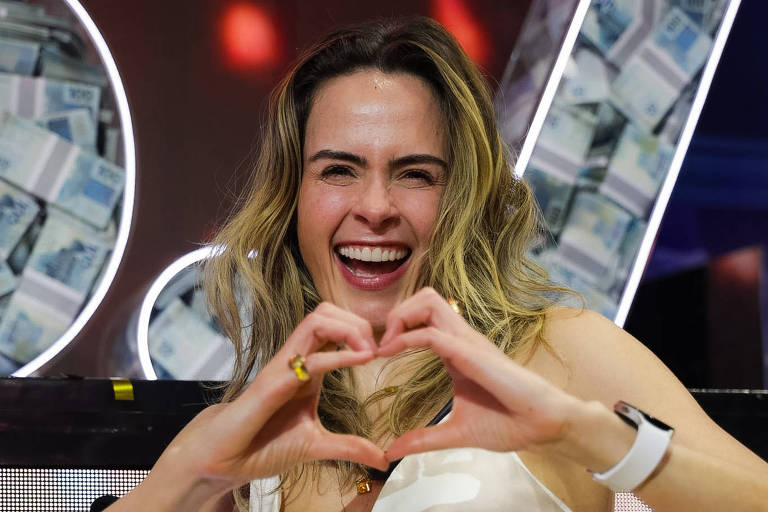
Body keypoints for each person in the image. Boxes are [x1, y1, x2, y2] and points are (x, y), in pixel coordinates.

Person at [109, 16, 768, 512]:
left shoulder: (557, 353)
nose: (376, 208)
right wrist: (191, 474)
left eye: (416, 174)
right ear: (292, 199)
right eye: (338, 170)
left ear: (462, 196)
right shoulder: (263, 420)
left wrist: (589, 435)